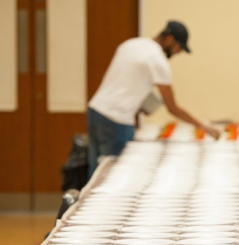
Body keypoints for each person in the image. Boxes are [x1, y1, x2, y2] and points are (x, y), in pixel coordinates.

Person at [86, 20, 221, 178]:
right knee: (113, 177)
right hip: (117, 120)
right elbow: (172, 108)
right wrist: (203, 126)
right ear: (170, 39)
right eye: (179, 48)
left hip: (96, 111)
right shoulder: (157, 60)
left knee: (96, 173)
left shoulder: (131, 44)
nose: (178, 52)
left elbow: (125, 80)